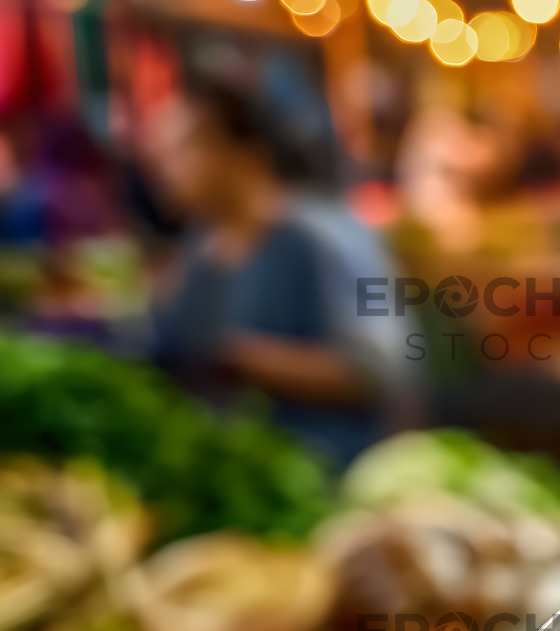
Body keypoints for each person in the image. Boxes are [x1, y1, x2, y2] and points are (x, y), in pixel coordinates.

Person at [145, 82, 414, 464]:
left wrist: (240, 359)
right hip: (225, 468)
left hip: (321, 471)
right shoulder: (198, 250)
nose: (163, 169)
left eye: (182, 149)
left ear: (244, 150)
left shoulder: (326, 237)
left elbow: (381, 371)